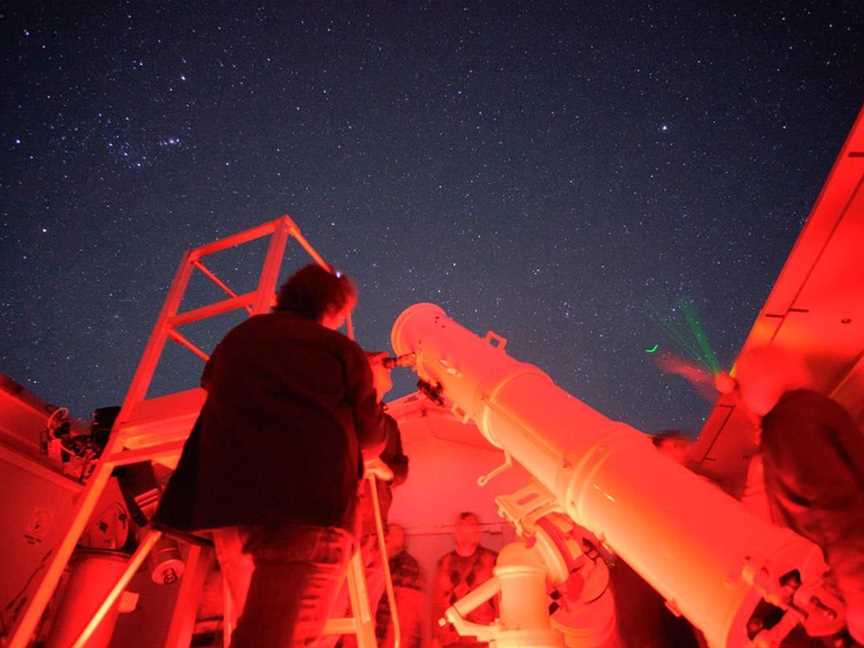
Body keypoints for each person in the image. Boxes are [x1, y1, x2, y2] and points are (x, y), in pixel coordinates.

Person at [152, 263, 386, 647]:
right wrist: (374, 385)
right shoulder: (344, 352)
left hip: (230, 513)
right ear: (333, 309)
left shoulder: (239, 338)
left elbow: (220, 383)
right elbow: (372, 440)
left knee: (259, 631)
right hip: (308, 514)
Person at [721, 345, 864, 644]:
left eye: (745, 389)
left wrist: (855, 589)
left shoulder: (788, 424)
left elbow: (829, 507)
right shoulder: (808, 411)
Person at [323, 351, 409, 648]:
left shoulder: (390, 426)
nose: (390, 368)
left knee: (364, 620)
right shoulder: (342, 414)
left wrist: (383, 471)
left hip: (376, 534)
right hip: (347, 530)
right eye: (381, 363)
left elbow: (401, 469)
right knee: (330, 617)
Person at [433, 512, 498, 648]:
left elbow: (501, 601)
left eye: (472, 525)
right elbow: (438, 603)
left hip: (482, 638)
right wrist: (436, 638)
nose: (467, 530)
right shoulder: (444, 563)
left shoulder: (492, 560)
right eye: (462, 526)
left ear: (479, 531)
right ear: (455, 532)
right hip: (450, 640)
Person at [375, 524, 425, 648]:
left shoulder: (407, 566)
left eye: (395, 535)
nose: (388, 538)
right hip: (379, 635)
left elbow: (406, 611)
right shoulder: (379, 563)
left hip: (392, 638)